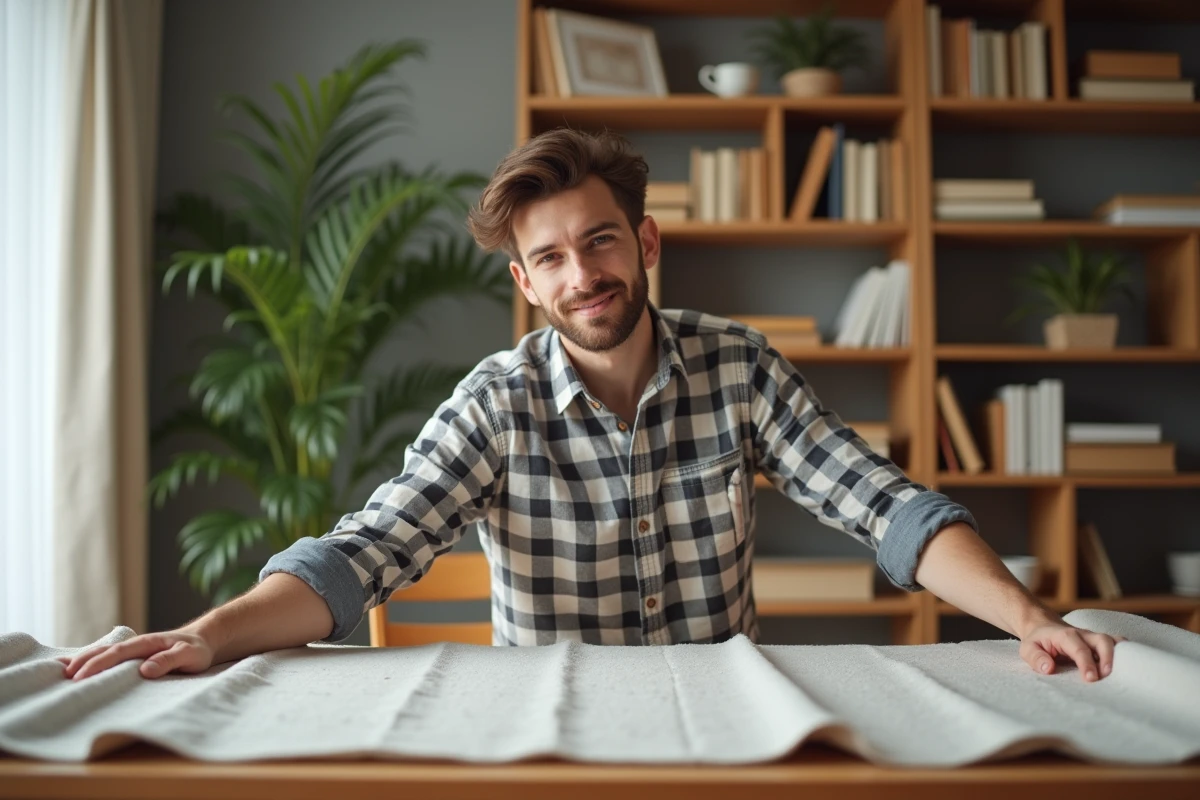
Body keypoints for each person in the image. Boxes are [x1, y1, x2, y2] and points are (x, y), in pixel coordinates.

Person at [60, 128, 1123, 683]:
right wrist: (207, 633)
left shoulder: (740, 366)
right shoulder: (495, 404)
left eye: (602, 240)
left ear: (646, 242)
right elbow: (362, 553)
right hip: (550, 735)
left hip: (723, 731)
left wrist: (1030, 615)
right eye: (553, 258)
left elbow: (884, 505)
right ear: (525, 282)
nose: (585, 275)